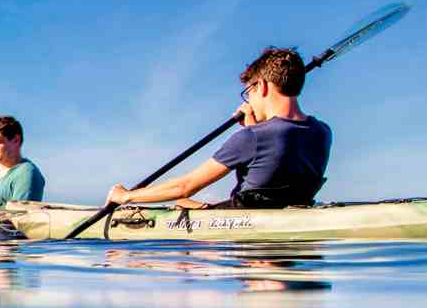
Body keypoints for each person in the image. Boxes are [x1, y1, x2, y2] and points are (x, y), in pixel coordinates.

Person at [106, 47, 331, 209]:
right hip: (284, 211)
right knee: (184, 203)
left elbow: (185, 186)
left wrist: (126, 196)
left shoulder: (251, 138)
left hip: (245, 232)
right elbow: (274, 162)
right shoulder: (322, 131)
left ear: (261, 86)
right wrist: (253, 126)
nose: (249, 101)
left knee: (181, 200)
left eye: (248, 92)